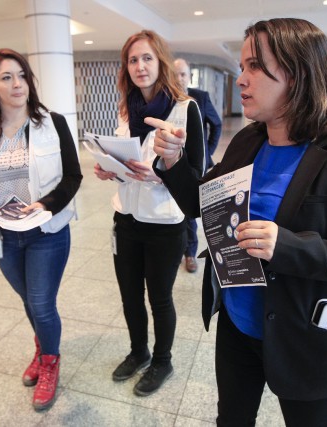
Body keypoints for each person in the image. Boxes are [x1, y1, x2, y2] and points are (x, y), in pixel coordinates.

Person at [150, 18, 327, 426]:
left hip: (308, 333)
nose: (241, 79)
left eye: (255, 66)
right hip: (239, 321)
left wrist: (288, 246)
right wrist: (173, 162)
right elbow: (205, 205)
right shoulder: (248, 141)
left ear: (299, 72)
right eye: (242, 66)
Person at [0, 48, 82, 410]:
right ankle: (42, 347)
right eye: (6, 77)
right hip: (4, 235)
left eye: (21, 75)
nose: (17, 84)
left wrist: (44, 204)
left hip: (45, 232)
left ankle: (50, 362)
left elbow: (73, 176)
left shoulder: (53, 122)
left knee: (42, 305)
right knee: (28, 300)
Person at [93, 30, 205, 396]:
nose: (140, 66)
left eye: (147, 58)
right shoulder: (128, 108)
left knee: (159, 297)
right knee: (129, 295)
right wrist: (110, 167)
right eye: (132, 60)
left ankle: (162, 359)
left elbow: (198, 176)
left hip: (165, 222)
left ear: (160, 62)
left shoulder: (185, 109)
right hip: (126, 218)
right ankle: (138, 352)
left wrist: (161, 174)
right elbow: (128, 158)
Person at [174, 57, 223, 273]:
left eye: (183, 74)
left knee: (188, 210)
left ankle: (190, 253)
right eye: (174, 74)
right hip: (171, 164)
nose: (179, 78)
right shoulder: (165, 99)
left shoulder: (200, 97)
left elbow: (217, 124)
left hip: (195, 166)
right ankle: (175, 250)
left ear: (189, 76)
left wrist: (208, 152)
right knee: (172, 211)